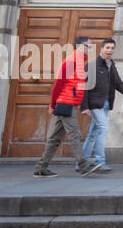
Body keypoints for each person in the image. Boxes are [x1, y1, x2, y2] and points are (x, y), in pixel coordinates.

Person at [34, 36, 96, 178]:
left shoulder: (79, 62)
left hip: (70, 103)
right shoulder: (71, 61)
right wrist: (52, 104)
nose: (90, 49)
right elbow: (58, 85)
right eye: (89, 46)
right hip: (65, 104)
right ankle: (83, 165)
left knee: (55, 138)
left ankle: (40, 168)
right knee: (75, 134)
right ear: (80, 46)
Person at [81, 37, 123, 173]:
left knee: (93, 133)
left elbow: (117, 83)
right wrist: (84, 107)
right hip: (94, 104)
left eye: (112, 48)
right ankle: (100, 161)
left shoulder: (111, 65)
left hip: (105, 104)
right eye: (107, 48)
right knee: (103, 128)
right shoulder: (92, 65)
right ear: (101, 48)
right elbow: (84, 87)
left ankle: (81, 163)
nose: (110, 50)